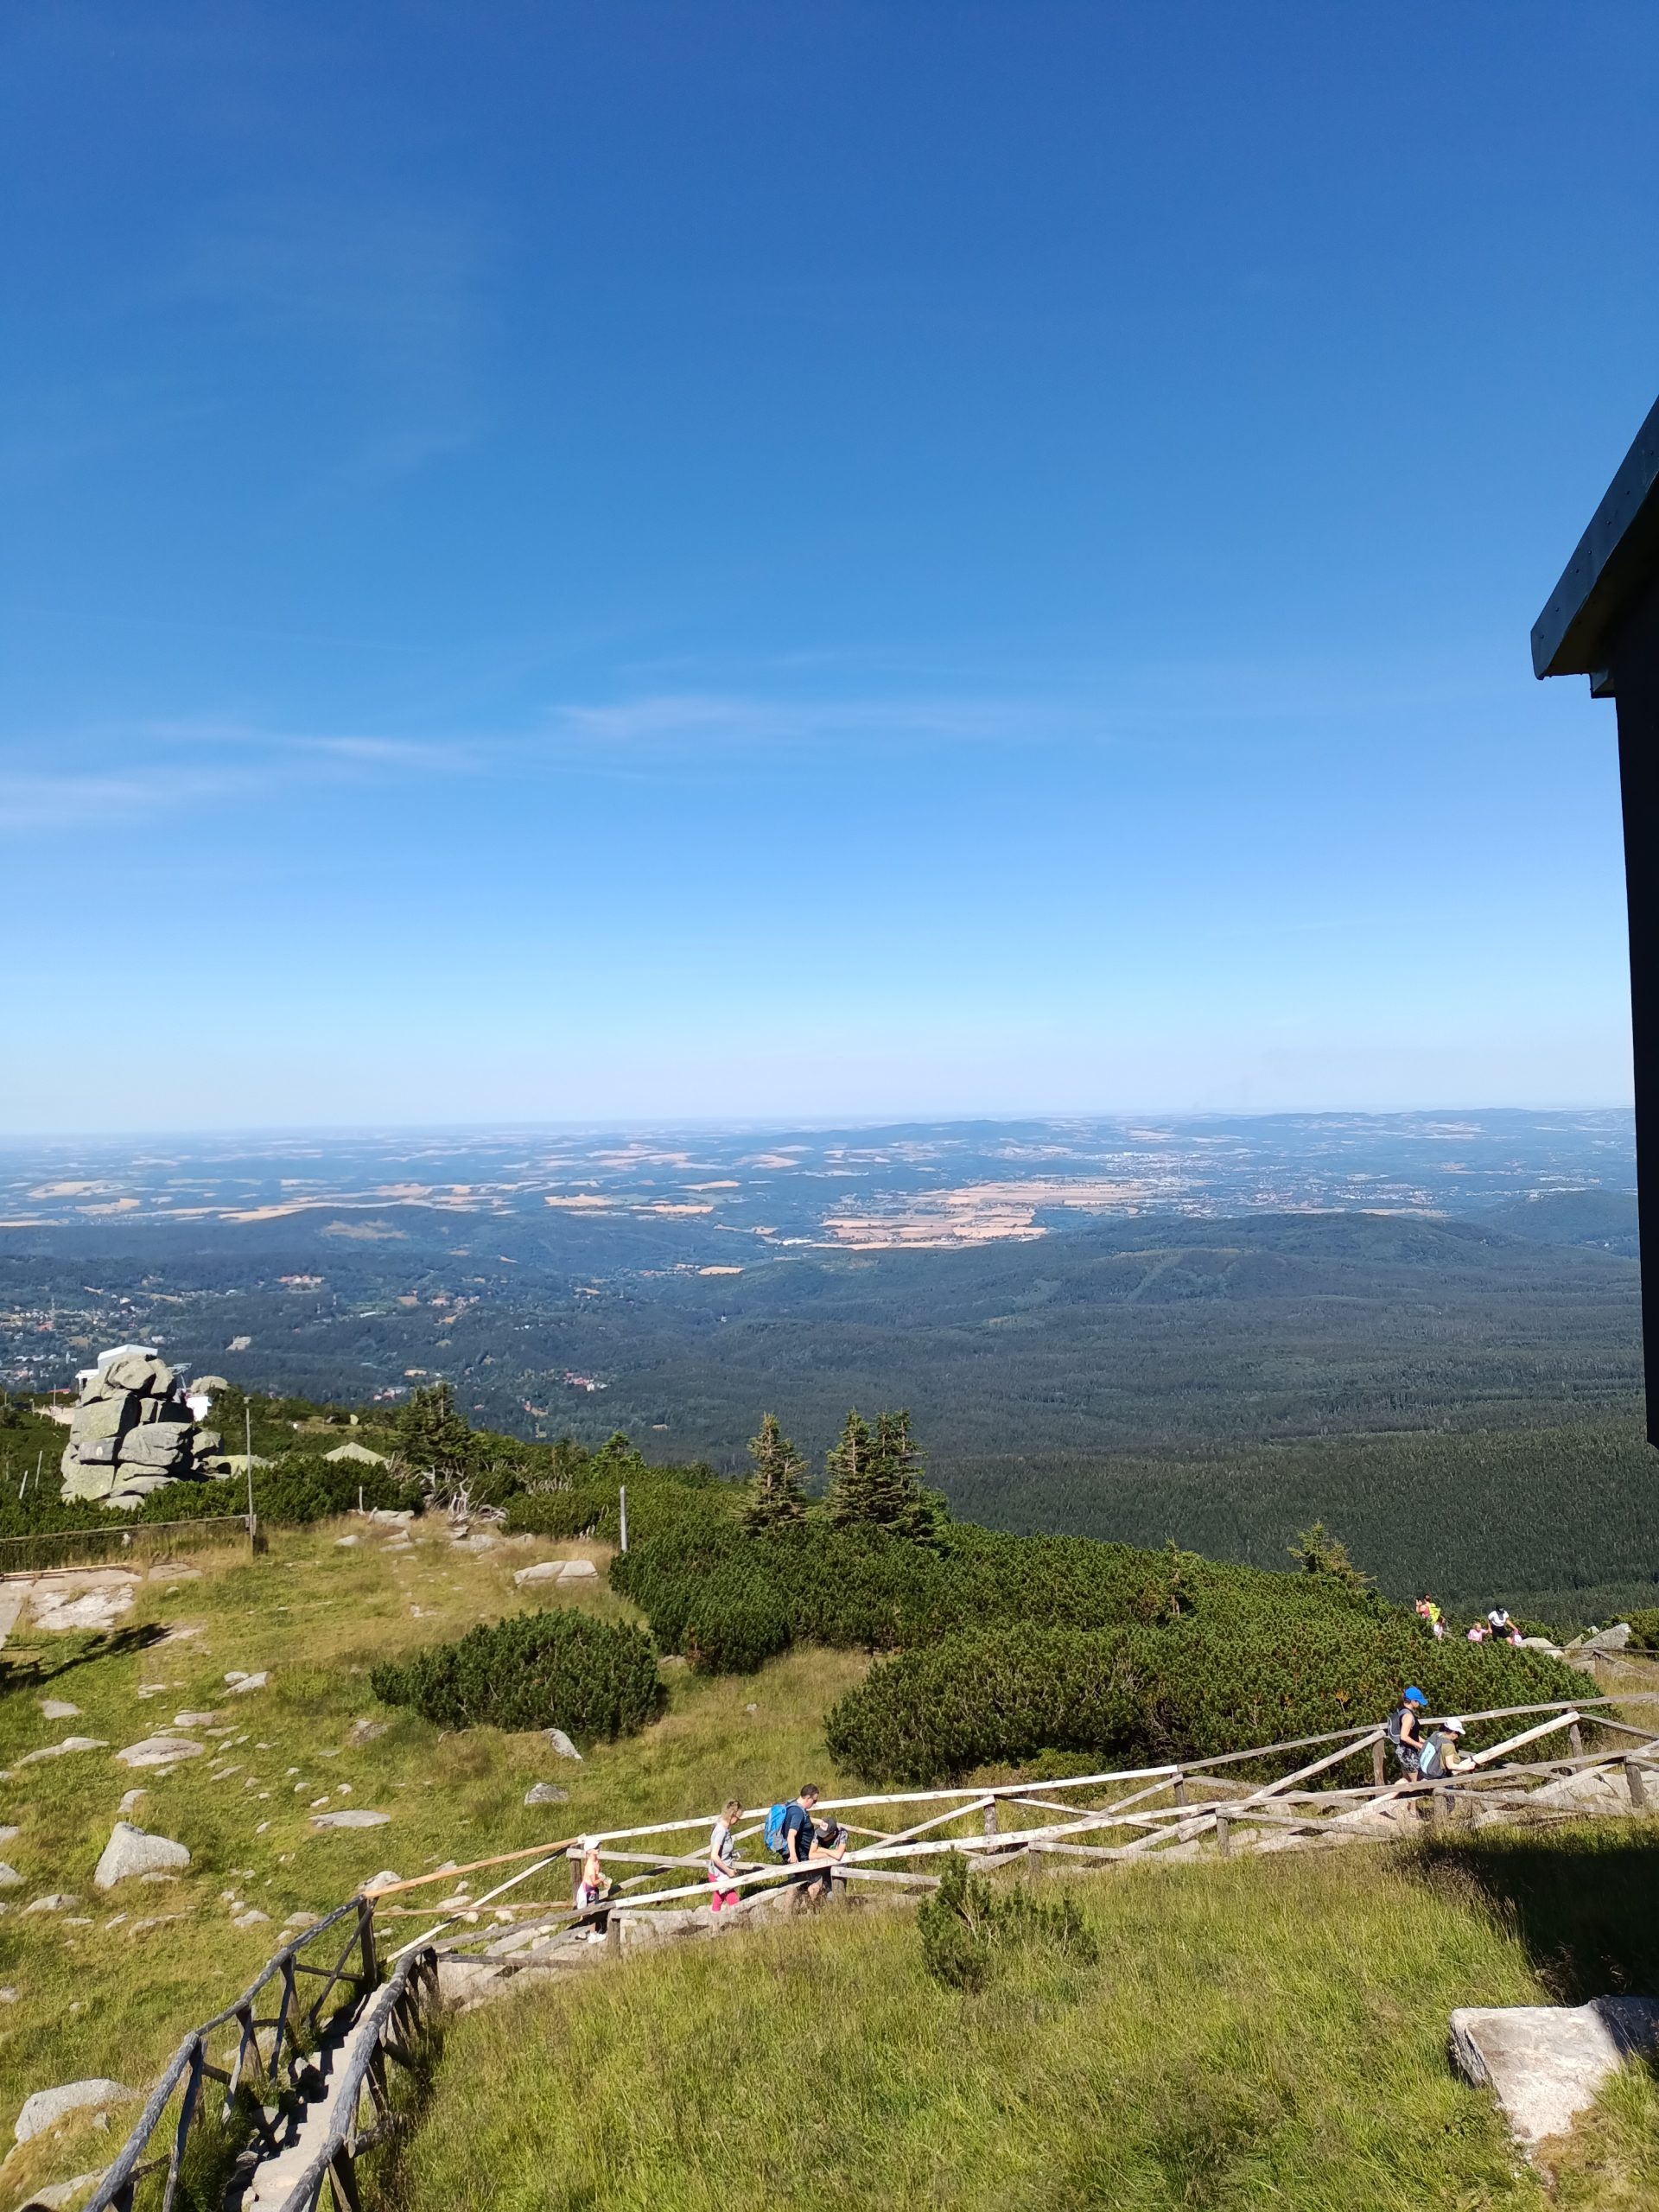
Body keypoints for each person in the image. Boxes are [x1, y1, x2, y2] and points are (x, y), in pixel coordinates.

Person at [778, 1783, 823, 1878]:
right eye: (814, 1801)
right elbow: (791, 1835)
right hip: (800, 1855)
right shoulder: (798, 1812)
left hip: (798, 1852)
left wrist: (819, 1822)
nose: (814, 1803)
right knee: (807, 1881)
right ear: (808, 1798)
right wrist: (793, 1855)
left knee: (797, 1882)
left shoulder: (792, 1806)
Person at [709, 1797, 743, 1915]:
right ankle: (741, 1921)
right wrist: (728, 1871)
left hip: (717, 1872)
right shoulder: (721, 1831)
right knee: (734, 1901)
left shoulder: (721, 1827)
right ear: (732, 1815)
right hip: (720, 1874)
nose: (738, 1821)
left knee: (718, 1899)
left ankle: (715, 1920)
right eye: (737, 1818)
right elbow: (714, 1856)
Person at [574, 1837, 613, 1943]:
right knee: (592, 1912)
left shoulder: (596, 1861)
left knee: (586, 1912)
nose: (598, 1848)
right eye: (596, 1847)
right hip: (588, 1890)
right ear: (590, 1851)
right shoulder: (590, 1864)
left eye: (598, 1846)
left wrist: (602, 1881)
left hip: (590, 1889)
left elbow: (596, 1875)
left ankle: (580, 1931)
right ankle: (592, 1935)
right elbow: (594, 1882)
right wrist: (602, 1879)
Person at [804, 1814, 849, 1903]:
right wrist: (832, 1854)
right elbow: (811, 1855)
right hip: (822, 1866)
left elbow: (838, 1855)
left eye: (825, 1835)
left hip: (839, 1866)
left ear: (833, 1833)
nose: (822, 1836)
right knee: (825, 1891)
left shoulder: (842, 1833)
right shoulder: (817, 1833)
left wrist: (822, 1850)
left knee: (838, 1888)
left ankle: (840, 1905)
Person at [1385, 1687, 1429, 1777]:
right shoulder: (1408, 1716)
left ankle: (1393, 1788)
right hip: (1408, 1753)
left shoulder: (1401, 1711)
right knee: (1416, 1782)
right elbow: (1404, 1736)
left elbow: (1412, 1734)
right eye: (1418, 1701)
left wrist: (1424, 1741)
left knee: (1407, 1781)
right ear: (1413, 1701)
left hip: (1402, 1751)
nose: (1419, 1704)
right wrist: (1419, 1745)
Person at [1417, 1716, 1471, 1781]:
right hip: (1435, 1776)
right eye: (1458, 1734)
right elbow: (1450, 1765)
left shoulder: (1436, 1734)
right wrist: (1467, 1767)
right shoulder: (1448, 1745)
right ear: (1453, 1733)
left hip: (1423, 1771)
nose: (1458, 1737)